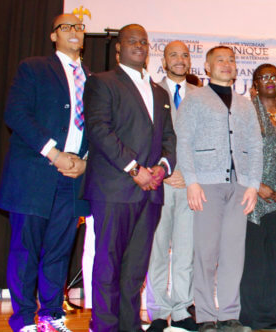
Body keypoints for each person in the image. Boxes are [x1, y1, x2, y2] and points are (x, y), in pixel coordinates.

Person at [0, 13, 88, 332]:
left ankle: (52, 316)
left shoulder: (94, 78)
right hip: (35, 172)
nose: (75, 32)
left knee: (60, 250)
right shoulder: (34, 67)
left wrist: (84, 160)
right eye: (67, 27)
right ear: (53, 36)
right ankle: (23, 320)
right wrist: (54, 152)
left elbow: (98, 125)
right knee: (26, 249)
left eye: (79, 27)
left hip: (72, 179)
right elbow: (16, 113)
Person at [83, 23, 176, 332]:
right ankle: (105, 327)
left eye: (144, 41)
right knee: (108, 264)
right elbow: (99, 129)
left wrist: (162, 168)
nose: (140, 45)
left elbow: (168, 139)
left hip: (150, 193)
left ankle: (129, 326)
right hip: (115, 189)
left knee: (135, 269)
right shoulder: (102, 82)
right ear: (119, 48)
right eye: (132, 41)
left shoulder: (160, 92)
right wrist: (135, 169)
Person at [176, 46, 263, 332]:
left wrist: (252, 184)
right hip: (206, 186)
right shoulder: (195, 99)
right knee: (205, 253)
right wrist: (192, 181)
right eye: (220, 60)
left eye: (232, 60)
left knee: (233, 253)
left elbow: (255, 145)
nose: (227, 64)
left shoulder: (244, 103)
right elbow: (184, 142)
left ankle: (228, 314)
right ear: (208, 68)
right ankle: (205, 316)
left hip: (239, 187)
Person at [145, 40, 198, 332]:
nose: (180, 59)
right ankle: (157, 311)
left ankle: (181, 310)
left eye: (184, 55)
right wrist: (164, 172)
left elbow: (207, 144)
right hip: (158, 183)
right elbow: (144, 136)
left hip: (189, 185)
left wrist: (190, 176)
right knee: (157, 249)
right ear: (163, 60)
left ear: (190, 61)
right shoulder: (151, 91)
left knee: (185, 250)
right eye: (173, 55)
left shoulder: (202, 96)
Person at [239, 64, 276, 330]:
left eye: (274, 76)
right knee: (255, 260)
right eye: (264, 77)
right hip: (253, 194)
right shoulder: (246, 110)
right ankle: (256, 317)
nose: (269, 81)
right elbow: (237, 151)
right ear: (255, 82)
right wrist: (257, 185)